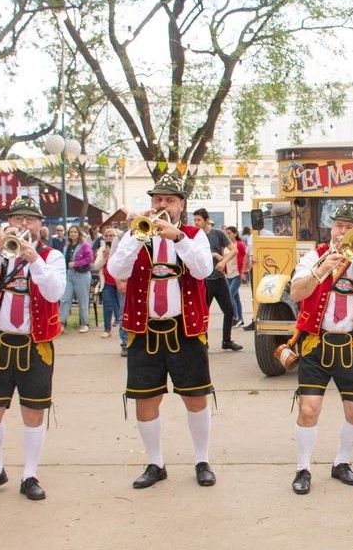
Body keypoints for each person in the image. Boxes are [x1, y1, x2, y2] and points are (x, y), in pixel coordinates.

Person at [106, 176, 218, 489]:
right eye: (158, 199)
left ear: (181, 204)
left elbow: (203, 270)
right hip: (144, 330)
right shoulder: (135, 234)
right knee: (145, 400)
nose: (162, 205)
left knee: (195, 398)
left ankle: (202, 460)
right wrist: (135, 236)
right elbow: (116, 271)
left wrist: (178, 238)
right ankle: (156, 463)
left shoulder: (194, 235)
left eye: (169, 200)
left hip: (185, 329)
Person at [284, 202, 353, 495]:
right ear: (331, 228)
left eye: (350, 228)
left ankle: (341, 462)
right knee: (308, 409)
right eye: (339, 226)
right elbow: (296, 293)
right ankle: (303, 468)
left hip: (350, 347)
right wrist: (321, 269)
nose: (342, 232)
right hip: (316, 345)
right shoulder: (313, 257)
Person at [0, 196, 67, 501]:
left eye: (30, 219)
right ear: (9, 222)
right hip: (0, 342)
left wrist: (33, 258)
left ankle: (29, 474)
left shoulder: (51, 256)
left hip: (35, 344)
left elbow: (55, 293)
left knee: (33, 412)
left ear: (40, 224)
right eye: (19, 218)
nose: (24, 224)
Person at [192, 209, 241, 351]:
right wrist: (213, 255)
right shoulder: (194, 236)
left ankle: (227, 340)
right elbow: (193, 255)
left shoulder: (218, 234)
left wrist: (223, 261)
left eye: (198, 220)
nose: (196, 223)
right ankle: (203, 342)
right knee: (203, 312)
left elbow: (234, 250)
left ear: (207, 220)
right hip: (204, 280)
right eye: (195, 220)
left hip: (219, 279)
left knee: (229, 310)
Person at [92, 227, 124, 346]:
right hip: (107, 282)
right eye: (107, 235)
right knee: (107, 305)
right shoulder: (102, 249)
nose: (109, 237)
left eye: (112, 235)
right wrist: (105, 258)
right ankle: (107, 329)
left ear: (116, 237)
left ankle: (123, 330)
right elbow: (96, 266)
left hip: (120, 282)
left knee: (121, 308)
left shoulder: (121, 248)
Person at [60, 224, 94, 333]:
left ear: (79, 234)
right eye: (71, 232)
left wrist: (76, 263)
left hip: (82, 275)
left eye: (75, 232)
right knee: (65, 299)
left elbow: (89, 259)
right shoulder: (66, 246)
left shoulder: (84, 245)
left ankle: (85, 324)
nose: (73, 234)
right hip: (69, 275)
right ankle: (61, 324)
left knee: (83, 300)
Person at [224, 226, 247, 327]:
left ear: (235, 234)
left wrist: (244, 272)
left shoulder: (240, 244)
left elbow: (245, 257)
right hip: (228, 273)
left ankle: (235, 317)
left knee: (230, 295)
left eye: (229, 233)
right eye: (226, 233)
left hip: (237, 273)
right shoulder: (226, 245)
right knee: (236, 298)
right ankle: (240, 319)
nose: (227, 235)